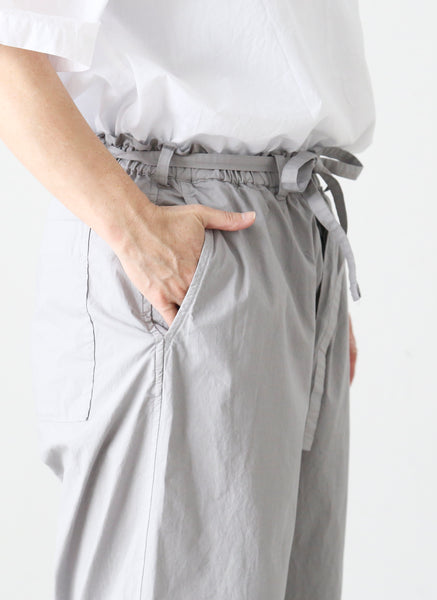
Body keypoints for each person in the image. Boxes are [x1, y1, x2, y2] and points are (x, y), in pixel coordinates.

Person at [0, 1, 375, 599]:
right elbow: (8, 44)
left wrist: (306, 280)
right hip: (186, 223)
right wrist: (136, 230)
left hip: (294, 226)